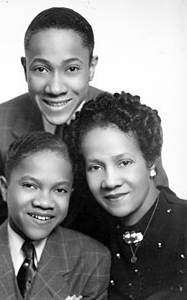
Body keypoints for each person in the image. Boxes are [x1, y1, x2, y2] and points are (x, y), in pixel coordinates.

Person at [0, 6, 168, 240]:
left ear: (91, 67)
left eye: (72, 69)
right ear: (25, 68)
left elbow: (156, 212)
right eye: (41, 69)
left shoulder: (127, 120)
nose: (56, 88)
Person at [0, 131, 111, 300]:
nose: (45, 202)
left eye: (60, 190)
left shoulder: (93, 259)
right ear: (4, 188)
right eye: (30, 186)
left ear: (70, 194)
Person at [64, 92, 187, 299]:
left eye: (124, 163)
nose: (110, 181)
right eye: (95, 167)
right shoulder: (86, 235)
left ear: (150, 161)